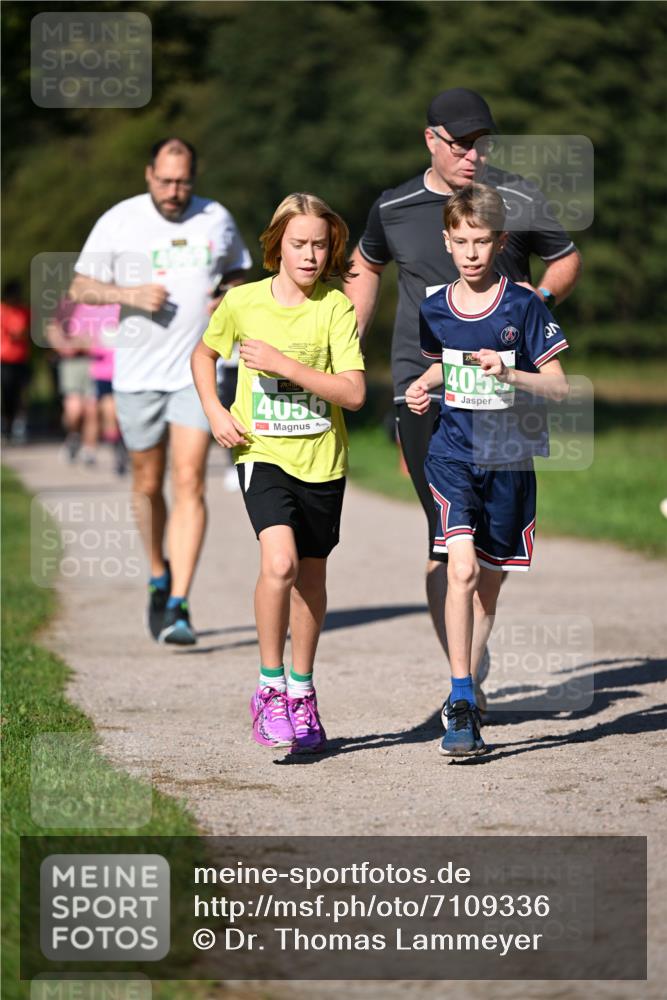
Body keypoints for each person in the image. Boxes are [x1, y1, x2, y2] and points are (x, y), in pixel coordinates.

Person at [346, 88, 581, 707]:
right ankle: (464, 678)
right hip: (423, 387)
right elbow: (365, 267)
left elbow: (565, 258)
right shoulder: (393, 206)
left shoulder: (518, 198)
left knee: (494, 559)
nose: (473, 155)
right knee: (448, 542)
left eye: (482, 143)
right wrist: (347, 343)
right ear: (431, 139)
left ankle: (474, 642)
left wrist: (537, 307)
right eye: (460, 144)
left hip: (510, 392)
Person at [191, 193, 365, 753]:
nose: (310, 255)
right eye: (299, 244)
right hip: (260, 453)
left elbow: (355, 392)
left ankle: (302, 692)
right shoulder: (242, 302)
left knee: (311, 579)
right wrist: (217, 413)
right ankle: (268, 690)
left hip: (322, 459)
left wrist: (286, 365)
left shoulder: (335, 307)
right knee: (281, 562)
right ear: (277, 246)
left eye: (319, 244)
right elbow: (202, 355)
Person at [405, 185, 569, 756]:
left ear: (500, 243)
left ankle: (469, 686)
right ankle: (459, 699)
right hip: (452, 456)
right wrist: (421, 389)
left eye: (482, 241)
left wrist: (510, 371)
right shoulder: (433, 308)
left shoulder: (523, 306)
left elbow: (558, 385)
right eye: (461, 241)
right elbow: (441, 370)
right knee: (462, 571)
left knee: (487, 592)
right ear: (446, 242)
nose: (471, 252)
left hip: (509, 461)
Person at [69, 138, 251, 645]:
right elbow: (80, 286)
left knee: (189, 479)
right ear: (149, 174)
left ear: (194, 177)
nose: (174, 191)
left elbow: (238, 272)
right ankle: (157, 571)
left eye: (184, 181)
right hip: (136, 375)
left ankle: (179, 605)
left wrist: (229, 296)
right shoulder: (119, 220)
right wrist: (127, 294)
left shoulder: (216, 217)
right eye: (166, 180)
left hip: (196, 372)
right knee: (148, 484)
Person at [46, 296, 112, 465]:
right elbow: (53, 329)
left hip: (97, 361)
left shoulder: (108, 302)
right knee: (74, 409)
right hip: (72, 363)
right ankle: (73, 436)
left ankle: (89, 449)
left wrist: (85, 343)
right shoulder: (71, 302)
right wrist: (64, 346)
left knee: (92, 408)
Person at [0, 280, 31, 443]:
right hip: (4, 360)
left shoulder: (24, 311)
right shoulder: (2, 310)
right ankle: (6, 424)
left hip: (21, 359)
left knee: (21, 395)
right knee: (7, 395)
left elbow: (27, 332)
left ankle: (18, 426)